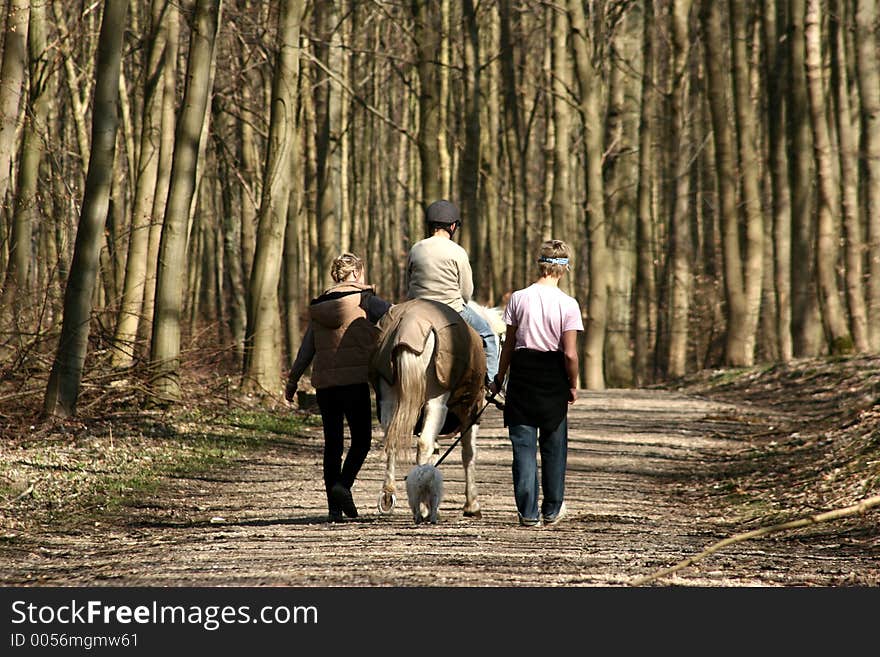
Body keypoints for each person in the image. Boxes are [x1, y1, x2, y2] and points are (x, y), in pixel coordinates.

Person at [285, 253, 392, 522]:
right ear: (355, 274)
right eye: (362, 273)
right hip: (354, 383)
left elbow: (307, 348)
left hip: (325, 386)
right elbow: (397, 316)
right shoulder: (366, 300)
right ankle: (342, 486)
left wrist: (293, 380)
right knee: (362, 441)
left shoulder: (319, 306)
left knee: (333, 445)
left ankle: (334, 509)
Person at [488, 240, 583, 527]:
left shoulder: (518, 298)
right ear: (563, 269)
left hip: (523, 374)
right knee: (554, 445)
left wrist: (500, 377)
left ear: (540, 264)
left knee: (523, 446)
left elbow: (509, 344)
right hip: (553, 374)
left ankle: (528, 512)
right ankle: (552, 509)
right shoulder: (568, 304)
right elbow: (569, 353)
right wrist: (573, 383)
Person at [405, 199, 499, 383]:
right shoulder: (458, 251)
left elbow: (409, 280)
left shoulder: (416, 248)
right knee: (488, 334)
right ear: (453, 226)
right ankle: (492, 384)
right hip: (451, 308)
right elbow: (466, 292)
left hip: (417, 307)